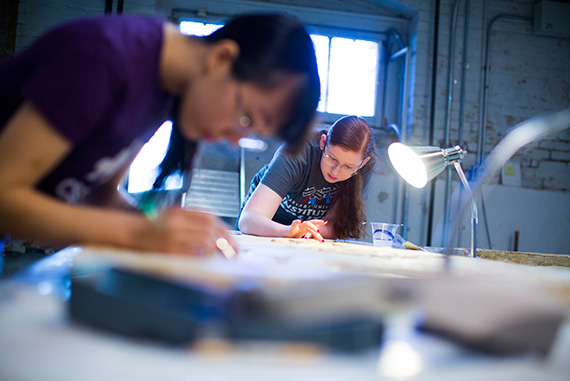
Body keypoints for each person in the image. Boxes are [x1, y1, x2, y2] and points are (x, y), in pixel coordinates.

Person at [0, 13, 320, 257]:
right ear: (222, 58)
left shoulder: (164, 90)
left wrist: (166, 230)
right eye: (247, 117)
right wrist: (136, 232)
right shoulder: (105, 57)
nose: (236, 139)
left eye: (254, 134)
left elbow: (99, 192)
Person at [237, 115, 376, 242]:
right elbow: (249, 220)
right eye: (332, 158)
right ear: (323, 142)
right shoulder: (296, 151)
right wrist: (287, 231)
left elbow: (337, 224)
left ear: (362, 163)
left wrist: (308, 229)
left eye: (348, 166)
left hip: (307, 232)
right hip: (268, 225)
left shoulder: (363, 168)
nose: (336, 171)